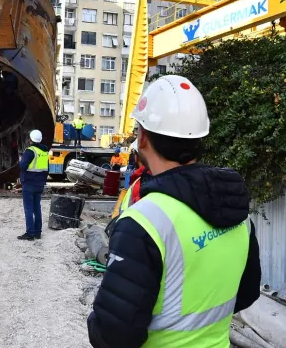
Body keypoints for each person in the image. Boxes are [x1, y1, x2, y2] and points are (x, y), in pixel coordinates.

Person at [88, 75, 261, 348]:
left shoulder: (144, 221)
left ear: (142, 138)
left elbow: (112, 335)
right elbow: (247, 293)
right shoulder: (237, 210)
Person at [17, 129, 49, 241]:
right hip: (39, 184)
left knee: (28, 209)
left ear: (31, 139)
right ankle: (37, 233)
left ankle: (30, 233)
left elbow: (23, 166)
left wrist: (20, 160)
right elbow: (46, 169)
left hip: (29, 183)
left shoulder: (30, 151)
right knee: (37, 208)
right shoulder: (44, 151)